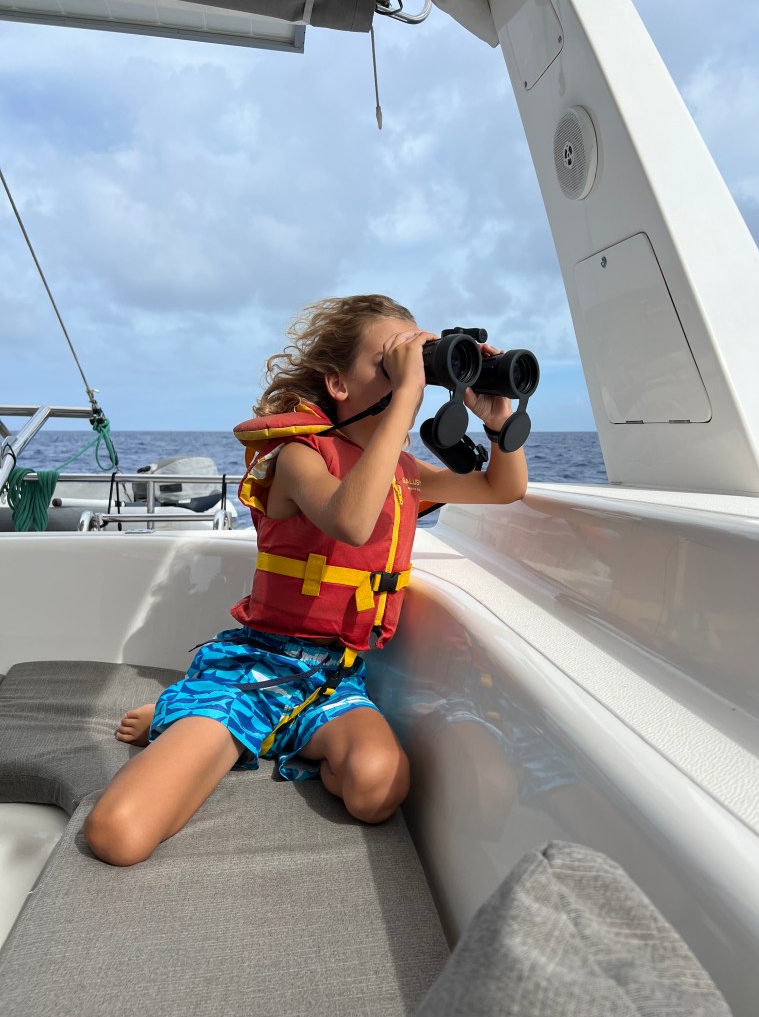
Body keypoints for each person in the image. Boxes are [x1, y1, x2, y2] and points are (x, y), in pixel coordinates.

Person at [83, 294, 528, 866]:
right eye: (391, 361)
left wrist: (498, 421)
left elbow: (502, 488)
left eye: (417, 361)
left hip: (333, 679)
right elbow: (351, 521)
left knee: (377, 791)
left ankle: (265, 731)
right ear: (337, 384)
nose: (409, 375)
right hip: (255, 670)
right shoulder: (299, 457)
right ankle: (186, 712)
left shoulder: (403, 473)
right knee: (119, 836)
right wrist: (406, 399)